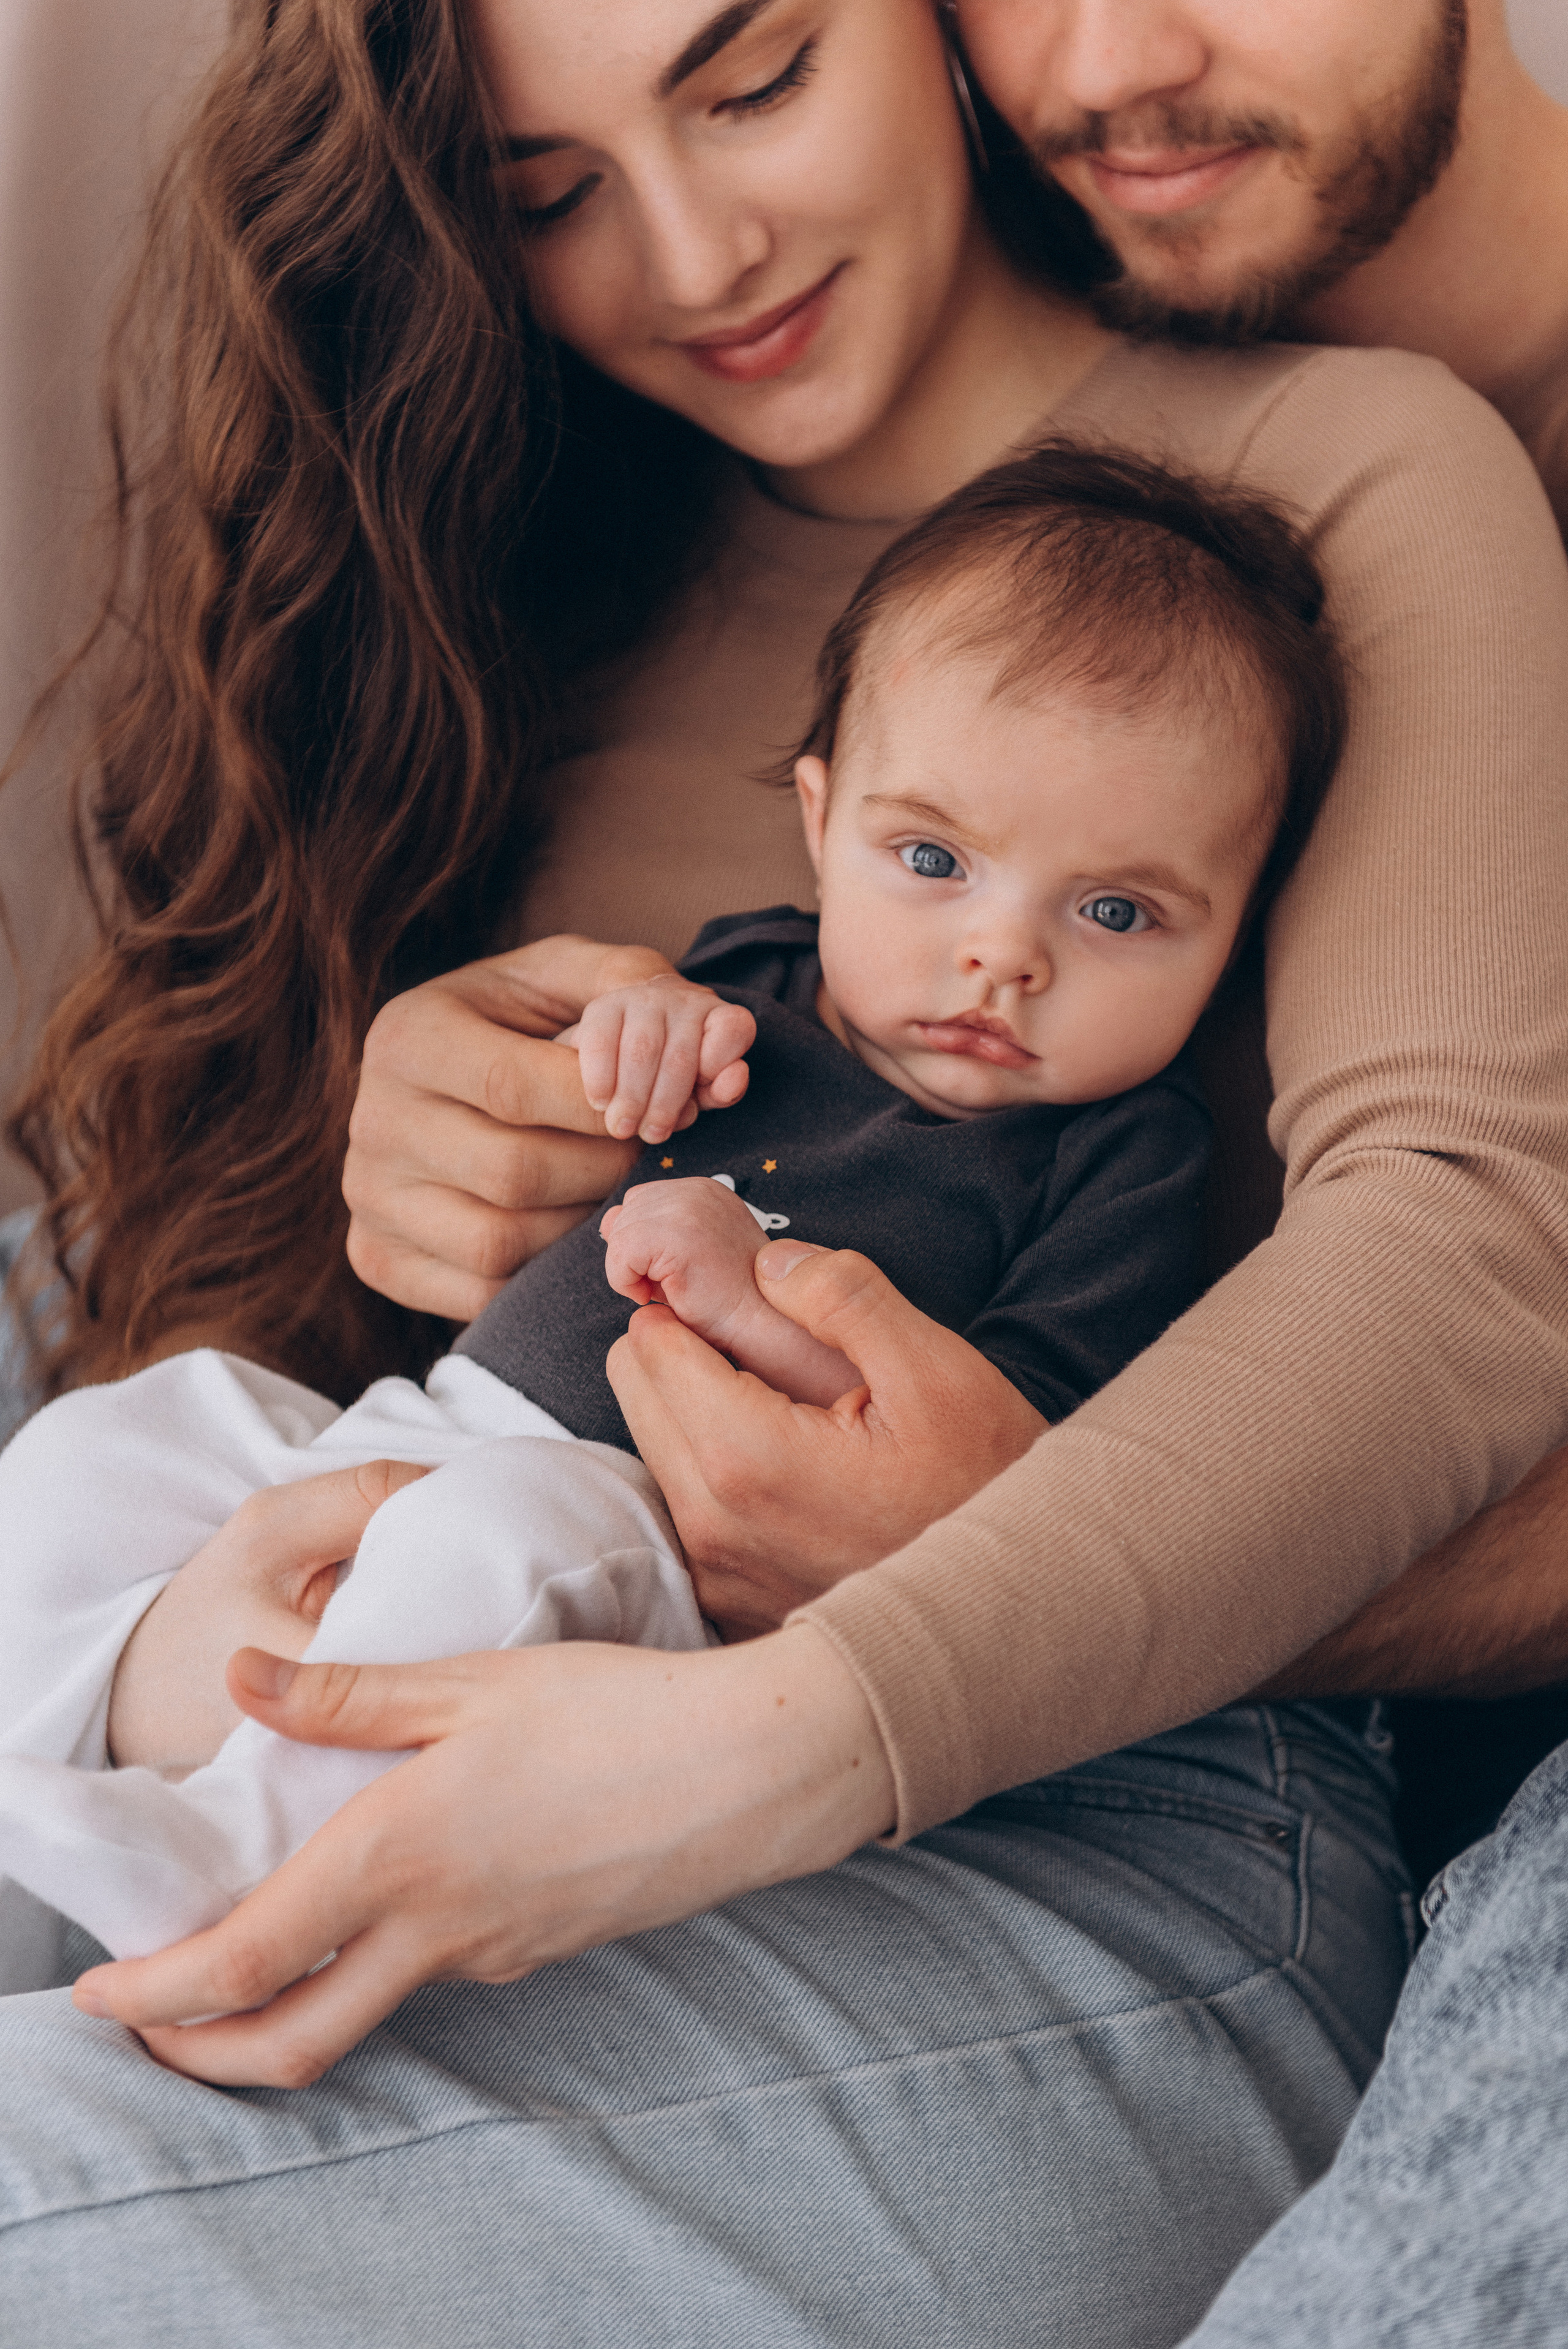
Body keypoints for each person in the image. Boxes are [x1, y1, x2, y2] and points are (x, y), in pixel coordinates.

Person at [1, 0, 1566, 2342]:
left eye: (754, 84)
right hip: (457, 1540)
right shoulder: (514, 555)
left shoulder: (1329, 466)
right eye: (546, 191)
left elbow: (1455, 1224)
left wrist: (806, 1717)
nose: (696, 252)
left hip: (1090, 1796)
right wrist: (397, 1142)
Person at [0, 441, 1333, 1966]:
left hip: (655, 1545)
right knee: (111, 1440)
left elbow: (987, 1464)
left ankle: (242, 1857)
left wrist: (742, 1292)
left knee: (500, 1543)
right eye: (929, 858)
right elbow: (603, 1080)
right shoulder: (760, 971)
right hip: (430, 1414)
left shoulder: (1120, 1159)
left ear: (1236, 936)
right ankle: (38, 1755)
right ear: (820, 824)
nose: (1001, 955)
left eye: (1115, 911)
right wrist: (626, 1032)